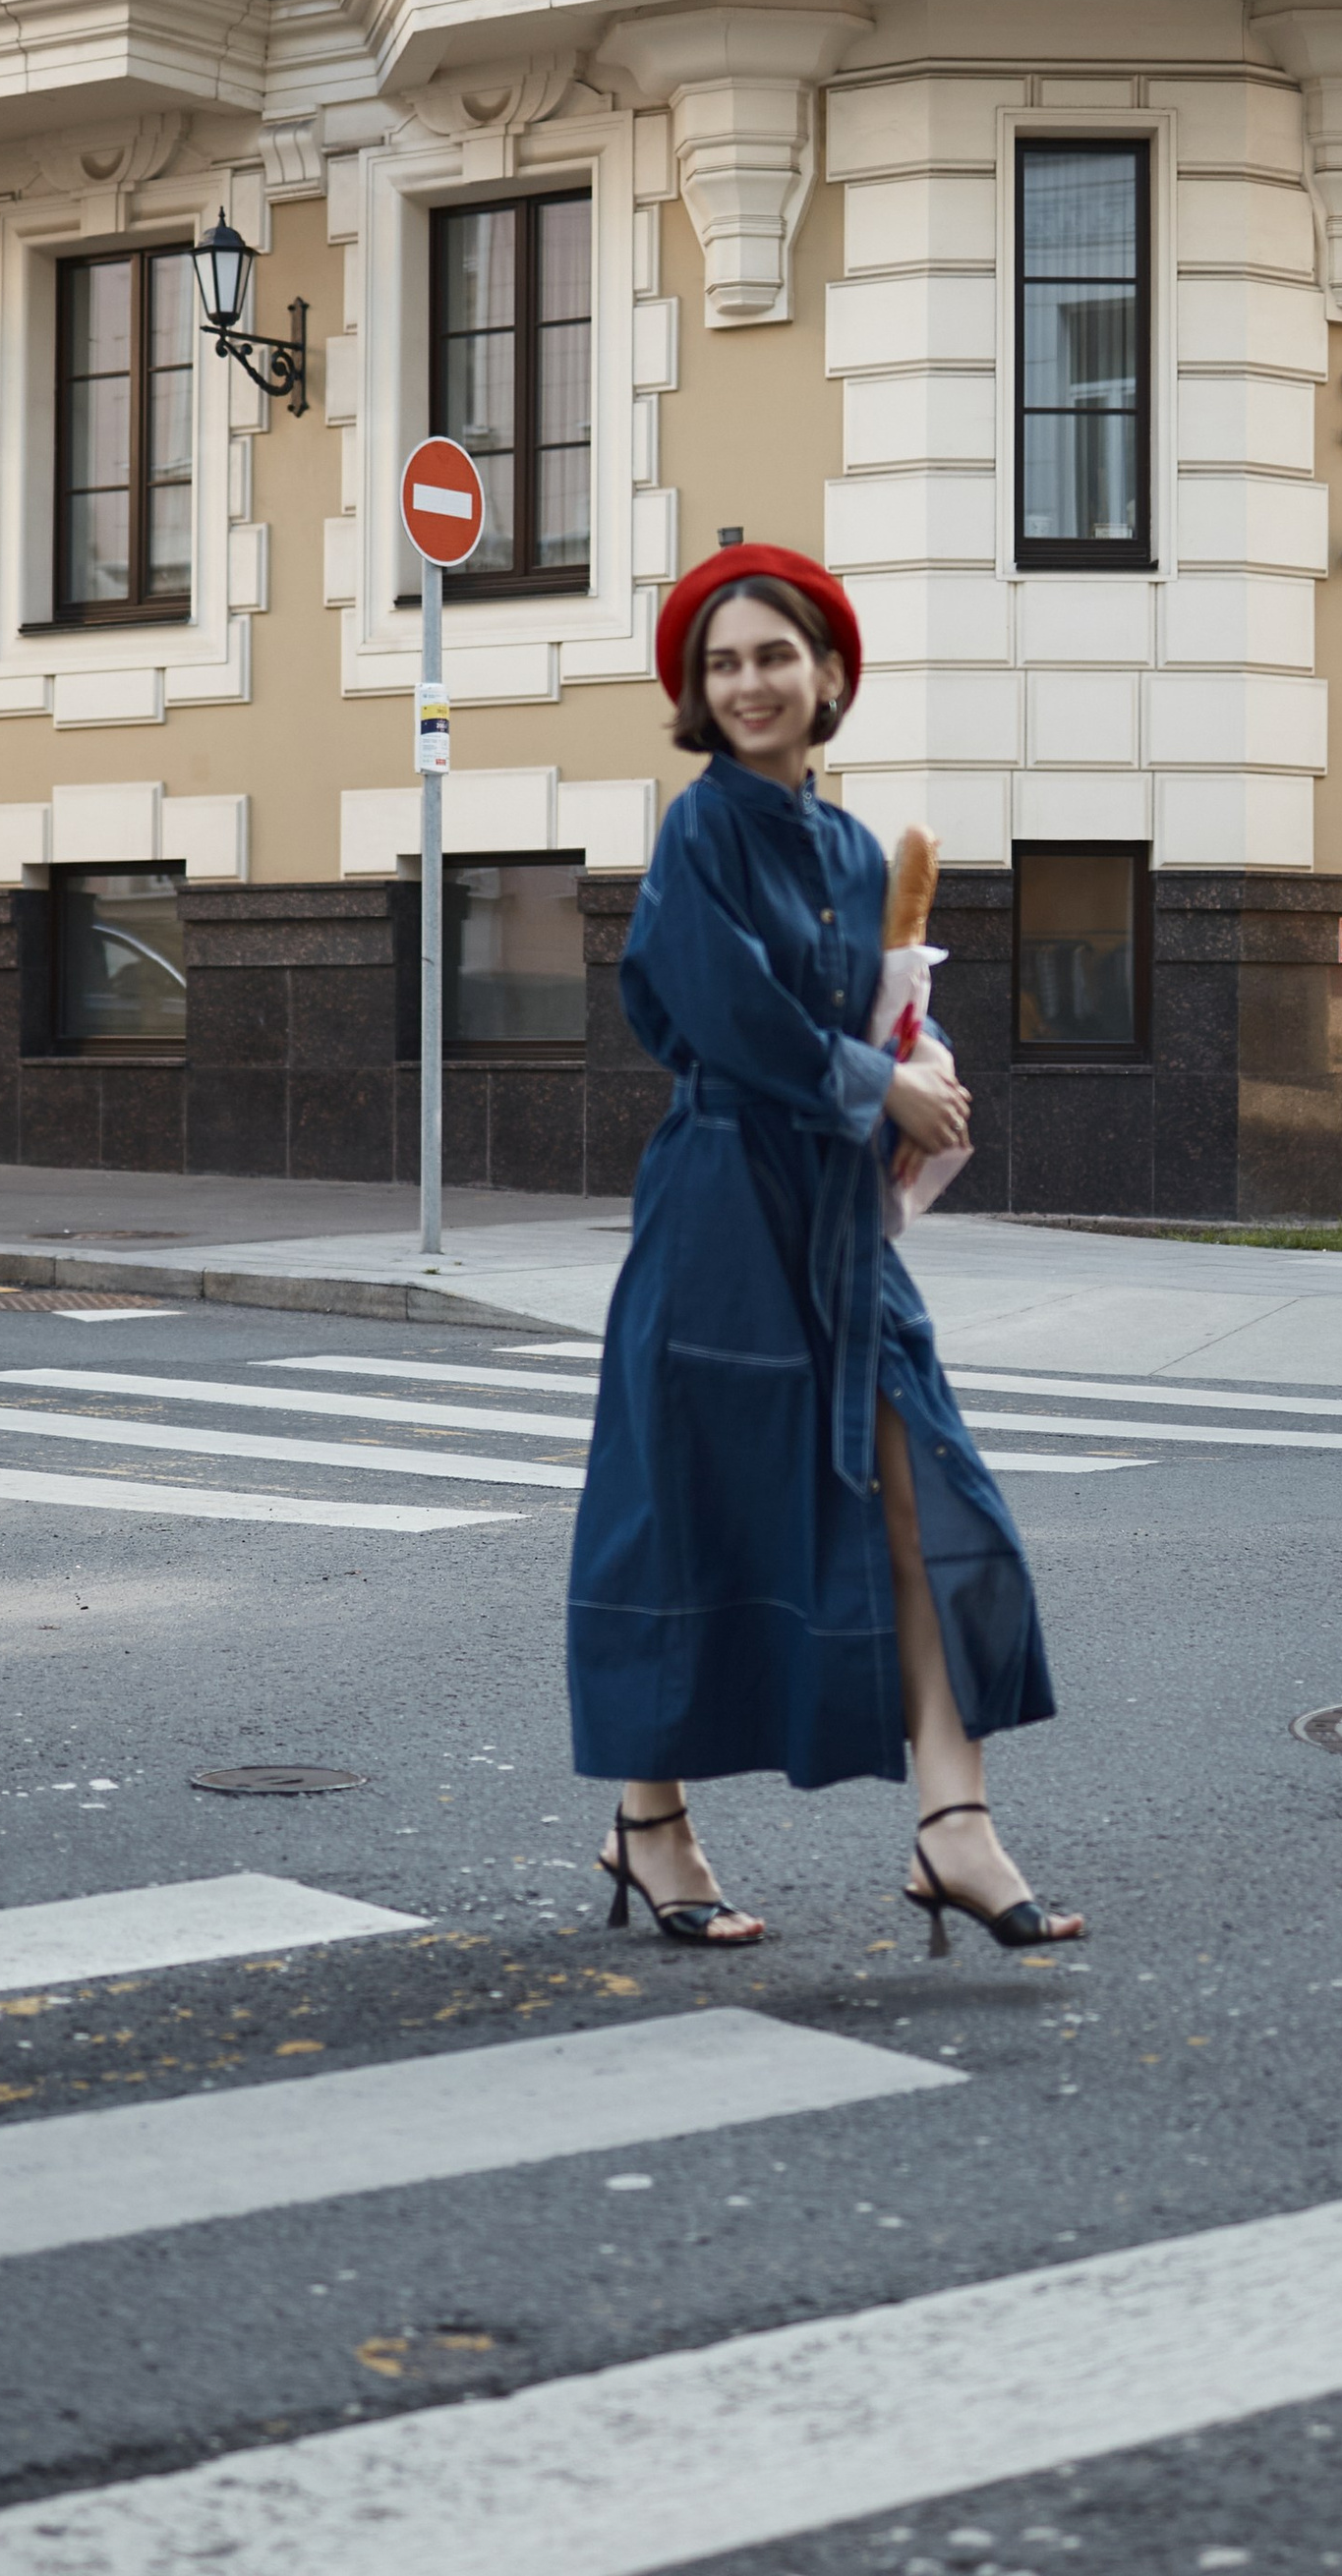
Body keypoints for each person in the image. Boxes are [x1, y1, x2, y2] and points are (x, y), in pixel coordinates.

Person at [565, 543, 1082, 1959]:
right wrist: (875, 1086)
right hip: (720, 1209)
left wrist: (923, 1066)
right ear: (697, 688)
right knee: (686, 1505)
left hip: (841, 1222)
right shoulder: (698, 832)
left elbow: (874, 1010)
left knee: (931, 1491)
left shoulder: (861, 853)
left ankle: (954, 1825)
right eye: (723, 661)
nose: (750, 683)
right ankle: (650, 1819)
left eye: (774, 655)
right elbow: (721, 1008)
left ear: (830, 673)